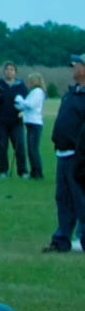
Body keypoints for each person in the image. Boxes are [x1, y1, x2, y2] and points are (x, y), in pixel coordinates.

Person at [46, 56, 85, 253]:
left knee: (81, 198)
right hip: (63, 153)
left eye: (77, 65)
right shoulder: (71, 94)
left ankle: (83, 238)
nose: (73, 69)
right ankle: (62, 238)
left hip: (79, 157)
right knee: (63, 198)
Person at [0, 62, 25, 179]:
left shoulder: (21, 86)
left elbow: (27, 102)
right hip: (1, 121)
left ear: (15, 72)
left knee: (19, 147)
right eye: (7, 69)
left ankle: (22, 171)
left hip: (16, 121)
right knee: (2, 146)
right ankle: (3, 171)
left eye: (12, 69)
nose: (9, 71)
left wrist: (23, 112)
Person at [21, 75, 47, 181]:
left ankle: (37, 172)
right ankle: (34, 171)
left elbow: (30, 104)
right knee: (31, 148)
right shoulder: (33, 92)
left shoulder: (37, 92)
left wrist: (20, 100)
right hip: (30, 121)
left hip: (35, 123)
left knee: (33, 148)